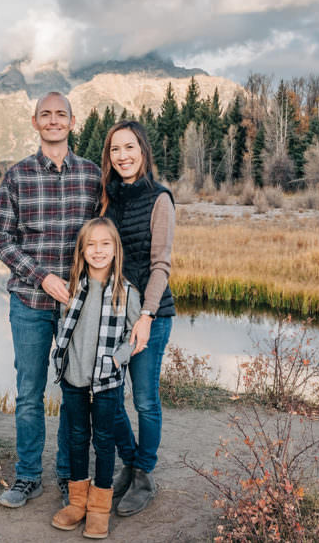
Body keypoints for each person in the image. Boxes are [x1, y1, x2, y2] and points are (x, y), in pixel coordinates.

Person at [0, 91, 102, 508]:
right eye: (45, 115)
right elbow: (0, 239)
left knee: (76, 391)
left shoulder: (92, 176)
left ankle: (68, 477)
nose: (53, 120)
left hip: (80, 305)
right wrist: (42, 277)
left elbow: (104, 237)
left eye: (61, 115)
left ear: (72, 122)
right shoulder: (17, 176)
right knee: (28, 393)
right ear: (35, 122)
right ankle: (27, 478)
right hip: (29, 304)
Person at [100, 120, 176, 516]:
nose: (123, 156)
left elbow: (161, 265)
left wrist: (145, 315)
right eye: (115, 149)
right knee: (107, 397)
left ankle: (144, 474)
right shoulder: (107, 197)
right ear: (109, 157)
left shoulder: (160, 198)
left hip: (151, 315)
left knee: (145, 400)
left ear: (143, 151)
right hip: (111, 316)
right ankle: (130, 461)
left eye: (129, 147)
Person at [50, 217, 141, 538]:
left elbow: (134, 334)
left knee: (104, 443)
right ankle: (78, 503)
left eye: (106, 244)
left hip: (107, 383)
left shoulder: (127, 292)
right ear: (82, 250)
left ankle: (100, 509)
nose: (98, 250)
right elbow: (64, 328)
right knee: (76, 440)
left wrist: (116, 361)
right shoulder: (72, 287)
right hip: (73, 379)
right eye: (91, 244)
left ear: (116, 249)